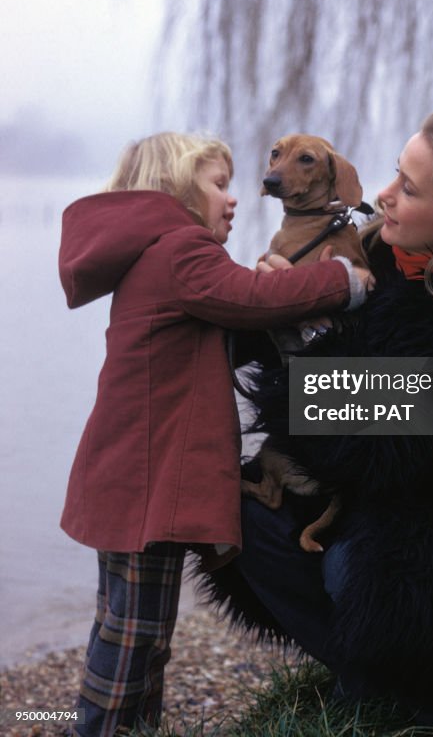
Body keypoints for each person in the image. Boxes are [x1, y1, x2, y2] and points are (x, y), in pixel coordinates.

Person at [197, 112, 433, 726]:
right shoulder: (373, 262)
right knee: (230, 506)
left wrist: (306, 333)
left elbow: (372, 449)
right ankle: (365, 668)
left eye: (408, 188)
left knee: (366, 568)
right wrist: (254, 299)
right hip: (371, 510)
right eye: (393, 176)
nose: (383, 195)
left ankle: (418, 690)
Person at [58, 131, 371, 737]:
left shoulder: (159, 255)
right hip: (146, 480)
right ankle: (97, 729)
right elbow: (252, 299)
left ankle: (122, 726)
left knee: (128, 626)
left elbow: (235, 320)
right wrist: (344, 281)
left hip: (130, 473)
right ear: (176, 192)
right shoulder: (181, 251)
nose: (235, 199)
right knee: (135, 635)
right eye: (219, 186)